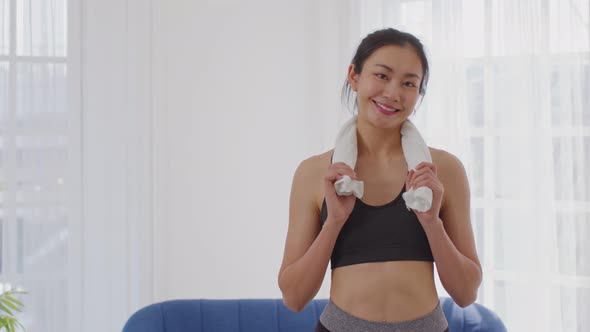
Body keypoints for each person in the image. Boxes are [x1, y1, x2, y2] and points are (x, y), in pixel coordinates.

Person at [277, 28, 482, 332]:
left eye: (409, 83)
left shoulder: (442, 171)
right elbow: (294, 297)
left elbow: (466, 293)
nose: (393, 93)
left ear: (419, 93)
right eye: (382, 76)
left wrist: (431, 223)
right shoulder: (314, 173)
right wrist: (333, 222)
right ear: (354, 76)